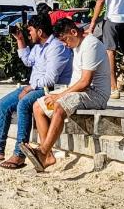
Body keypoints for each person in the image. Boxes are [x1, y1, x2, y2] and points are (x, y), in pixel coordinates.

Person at [0, 12, 72, 169]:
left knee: (23, 104)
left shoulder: (56, 48)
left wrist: (29, 87)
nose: (29, 33)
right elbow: (28, 61)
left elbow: (50, 80)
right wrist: (20, 40)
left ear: (40, 31)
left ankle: (19, 155)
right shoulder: (38, 47)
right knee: (3, 104)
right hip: (35, 86)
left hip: (51, 90)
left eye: (30, 30)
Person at [21, 17, 111, 172]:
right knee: (38, 106)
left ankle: (42, 152)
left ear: (74, 32)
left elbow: (85, 82)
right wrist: (59, 94)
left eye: (65, 40)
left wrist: (59, 96)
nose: (64, 44)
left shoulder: (91, 45)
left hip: (95, 94)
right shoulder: (77, 46)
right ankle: (48, 156)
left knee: (59, 105)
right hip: (80, 91)